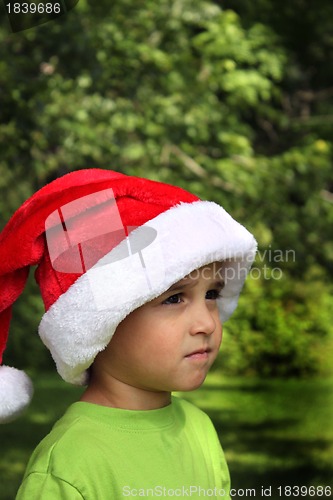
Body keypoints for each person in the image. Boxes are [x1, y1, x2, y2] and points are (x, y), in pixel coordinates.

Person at [0, 169, 257, 499]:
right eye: (174, 298)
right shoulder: (69, 467)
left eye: (211, 295)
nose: (207, 323)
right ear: (102, 322)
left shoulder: (199, 427)